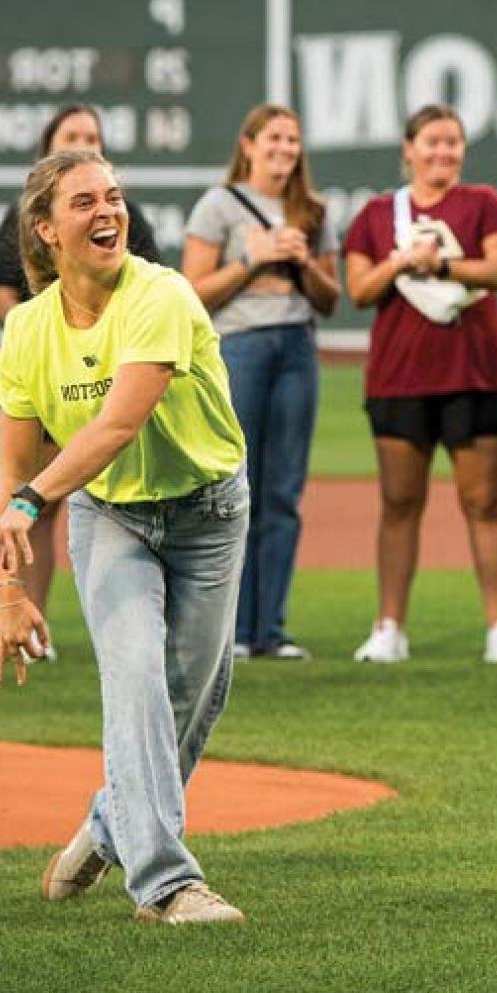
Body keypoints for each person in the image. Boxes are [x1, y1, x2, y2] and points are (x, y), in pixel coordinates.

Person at [0, 149, 251, 926]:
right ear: (45, 228)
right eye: (86, 201)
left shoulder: (158, 292)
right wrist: (9, 591)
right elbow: (12, 471)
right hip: (112, 516)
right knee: (134, 678)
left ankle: (107, 824)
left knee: (193, 693)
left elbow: (118, 423)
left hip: (208, 513)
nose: (108, 212)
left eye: (115, 197)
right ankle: (166, 883)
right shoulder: (28, 330)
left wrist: (28, 503)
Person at [342, 104, 497, 665]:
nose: (442, 153)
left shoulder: (484, 204)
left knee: (484, 503)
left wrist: (443, 266)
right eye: (431, 142)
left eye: (452, 143)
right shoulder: (376, 214)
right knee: (399, 503)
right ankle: (389, 627)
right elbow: (359, 289)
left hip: (476, 374)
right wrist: (402, 261)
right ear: (409, 149)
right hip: (399, 379)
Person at [0, 104, 161, 623]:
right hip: (53, 391)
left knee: (65, 496)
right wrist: (45, 340)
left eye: (90, 136)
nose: (106, 212)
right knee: (37, 503)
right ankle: (30, 613)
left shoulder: (152, 278)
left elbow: (147, 293)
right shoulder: (24, 235)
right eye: (70, 136)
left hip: (119, 393)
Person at [182, 104, 339, 661]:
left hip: (296, 346)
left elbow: (331, 299)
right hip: (239, 349)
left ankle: (271, 628)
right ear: (248, 145)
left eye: (292, 140)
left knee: (283, 492)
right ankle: (231, 629)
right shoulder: (218, 205)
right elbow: (192, 292)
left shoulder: (313, 211)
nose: (284, 149)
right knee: (233, 487)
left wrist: (303, 265)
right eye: (273, 138)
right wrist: (251, 259)